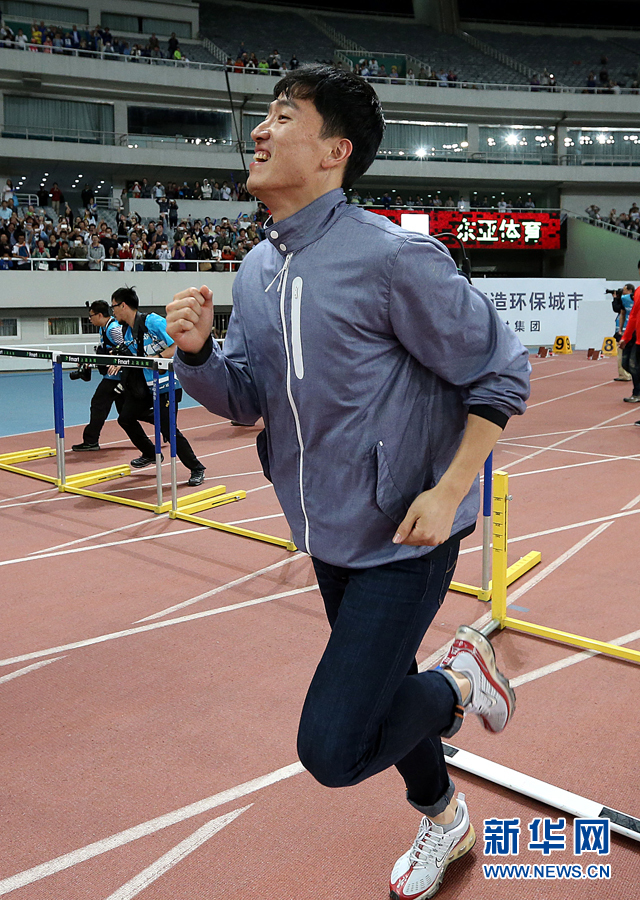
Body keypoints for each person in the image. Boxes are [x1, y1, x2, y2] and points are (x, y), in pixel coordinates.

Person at [166, 65, 529, 899]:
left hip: (405, 536)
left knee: (333, 747)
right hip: (324, 531)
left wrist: (450, 490)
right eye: (261, 116)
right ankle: (445, 819)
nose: (259, 131)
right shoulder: (256, 270)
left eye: (282, 116)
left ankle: (461, 678)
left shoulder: (394, 257)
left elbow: (501, 370)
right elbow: (248, 400)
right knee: (380, 696)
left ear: (335, 151)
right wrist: (198, 356)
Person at [110, 286, 206, 485]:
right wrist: (121, 361)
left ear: (123, 305)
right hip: (145, 387)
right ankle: (150, 453)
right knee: (125, 418)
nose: (113, 312)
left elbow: (179, 344)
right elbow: (137, 358)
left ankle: (196, 468)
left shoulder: (153, 322)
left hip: (166, 384)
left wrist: (159, 357)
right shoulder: (126, 332)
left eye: (114, 307)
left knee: (169, 429)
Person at [72, 300, 124, 451]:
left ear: (100, 315)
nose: (89, 319)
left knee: (98, 404)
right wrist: (89, 362)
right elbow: (105, 352)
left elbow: (128, 348)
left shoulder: (114, 329)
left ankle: (91, 441)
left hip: (117, 377)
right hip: (112, 375)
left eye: (91, 316)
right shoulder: (103, 328)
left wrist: (119, 363)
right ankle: (165, 425)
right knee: (128, 413)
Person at [620, 265, 640, 405]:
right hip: (636, 336)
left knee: (633, 365)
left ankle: (637, 393)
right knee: (627, 364)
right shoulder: (638, 291)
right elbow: (632, 316)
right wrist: (625, 337)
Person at [614, 284, 634, 382]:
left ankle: (628, 374)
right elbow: (621, 312)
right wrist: (620, 330)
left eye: (624, 290)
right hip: (626, 330)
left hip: (635, 331)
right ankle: (624, 374)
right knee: (622, 354)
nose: (623, 292)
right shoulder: (624, 299)